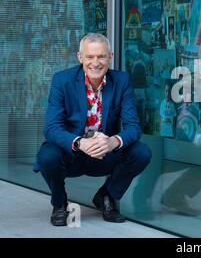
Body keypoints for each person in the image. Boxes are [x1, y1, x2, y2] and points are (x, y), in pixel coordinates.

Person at [33, 33, 152, 226]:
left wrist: (112, 142)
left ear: (110, 57)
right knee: (47, 156)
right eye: (89, 57)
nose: (95, 63)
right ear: (80, 58)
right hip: (72, 154)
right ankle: (60, 204)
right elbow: (51, 128)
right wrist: (80, 143)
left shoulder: (121, 81)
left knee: (141, 152)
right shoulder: (62, 81)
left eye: (101, 56)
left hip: (105, 154)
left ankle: (107, 196)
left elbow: (133, 127)